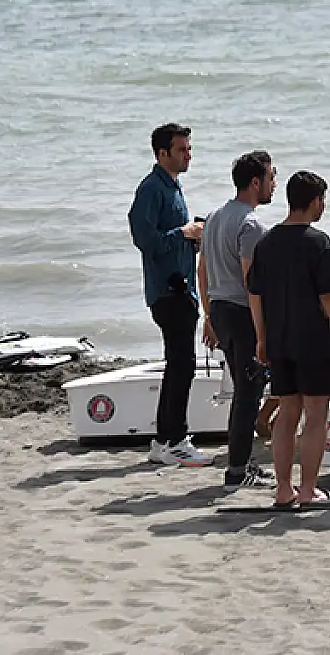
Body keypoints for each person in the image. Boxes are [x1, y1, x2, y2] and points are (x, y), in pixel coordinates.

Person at [247, 171, 330, 509]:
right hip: (312, 339)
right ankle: (309, 488)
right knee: (316, 414)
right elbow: (328, 296)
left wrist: (261, 338)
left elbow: (256, 293)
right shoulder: (318, 241)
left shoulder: (266, 242)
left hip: (279, 339)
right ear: (314, 201)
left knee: (286, 413)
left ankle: (284, 489)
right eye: (322, 200)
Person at [127, 123, 211, 467]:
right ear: (163, 153)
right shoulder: (151, 189)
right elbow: (145, 239)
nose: (188, 154)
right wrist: (184, 232)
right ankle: (173, 439)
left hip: (182, 288)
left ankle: (165, 440)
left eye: (189, 148)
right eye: (181, 149)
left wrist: (193, 236)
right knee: (182, 365)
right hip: (167, 290)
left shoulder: (174, 187)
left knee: (180, 365)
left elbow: (171, 237)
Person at [198, 150, 278, 489]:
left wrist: (208, 315)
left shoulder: (215, 216)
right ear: (256, 182)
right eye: (272, 177)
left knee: (245, 389)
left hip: (220, 308)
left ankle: (238, 465)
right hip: (243, 314)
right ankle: (237, 470)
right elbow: (253, 284)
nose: (275, 184)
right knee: (249, 392)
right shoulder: (251, 224)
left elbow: (201, 270)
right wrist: (264, 333)